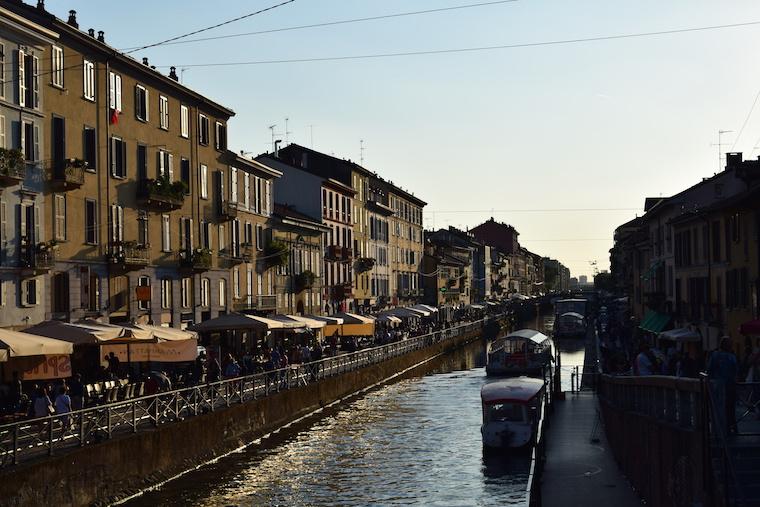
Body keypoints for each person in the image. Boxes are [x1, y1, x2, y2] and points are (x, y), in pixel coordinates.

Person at [708, 337, 738, 434]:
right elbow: (736, 371)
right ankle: (732, 427)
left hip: (718, 385)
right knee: (730, 407)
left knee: (720, 408)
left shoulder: (715, 355)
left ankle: (720, 429)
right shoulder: (732, 357)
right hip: (730, 385)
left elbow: (709, 370)